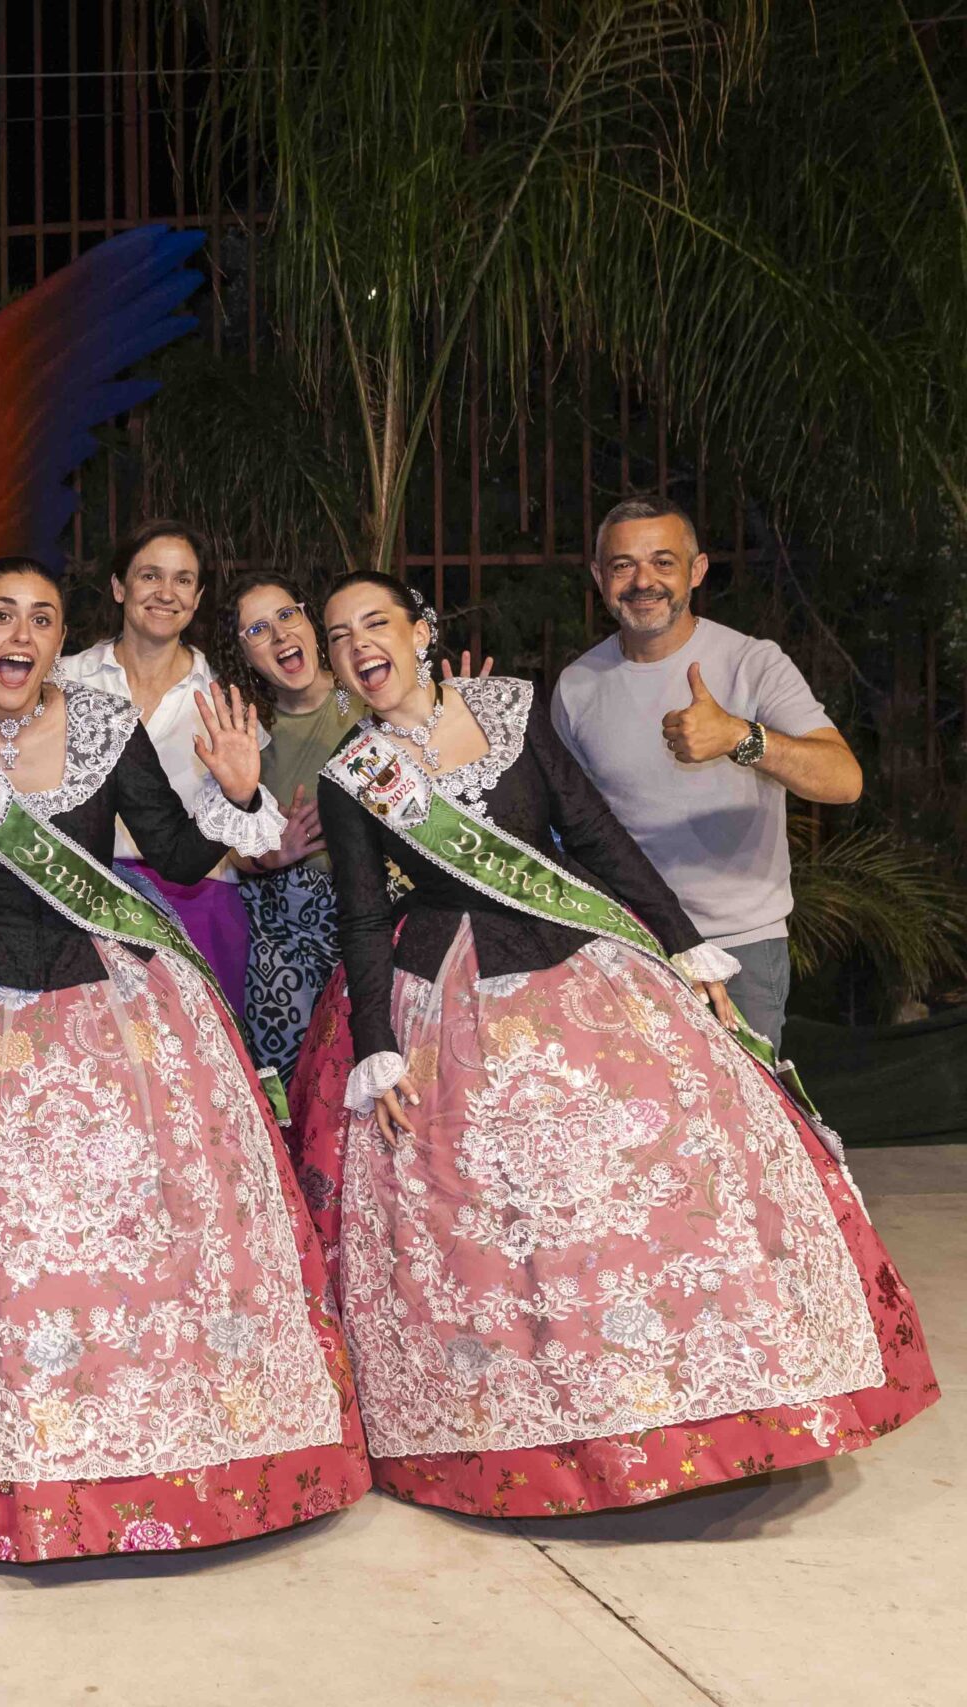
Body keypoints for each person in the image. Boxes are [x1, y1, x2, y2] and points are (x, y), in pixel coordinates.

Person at [293, 570, 934, 1517]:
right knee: (494, 1212)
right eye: (340, 635)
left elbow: (593, 835)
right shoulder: (353, 775)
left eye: (375, 623)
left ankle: (695, 1394)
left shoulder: (511, 708)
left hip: (573, 963)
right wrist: (378, 1047)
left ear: (421, 632)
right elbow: (358, 917)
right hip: (443, 985)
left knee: (656, 1165)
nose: (359, 646)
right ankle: (531, 1423)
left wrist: (683, 941)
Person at [0, 559, 368, 1562]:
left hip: (112, 997)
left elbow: (177, 853)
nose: (20, 634)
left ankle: (164, 1443)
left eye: (42, 619)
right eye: (1, 615)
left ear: (60, 640)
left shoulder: (106, 723)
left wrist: (239, 792)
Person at [551, 495, 863, 1045]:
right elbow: (567, 827)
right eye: (623, 565)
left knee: (744, 1103)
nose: (643, 581)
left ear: (696, 571)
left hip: (738, 946)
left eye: (663, 562)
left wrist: (740, 738)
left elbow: (844, 780)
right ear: (599, 577)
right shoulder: (576, 686)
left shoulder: (752, 663)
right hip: (628, 944)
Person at [61, 523, 255, 1011]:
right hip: (77, 898)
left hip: (198, 903)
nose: (166, 593)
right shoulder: (62, 680)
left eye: (183, 580)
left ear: (197, 598)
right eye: (150, 576)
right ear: (119, 586)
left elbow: (245, 820)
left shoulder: (225, 695)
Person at [217, 570, 355, 1080]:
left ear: (309, 620)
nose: (279, 635)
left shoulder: (367, 697)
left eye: (286, 615)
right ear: (243, 653)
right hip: (283, 932)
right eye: (257, 630)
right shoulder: (245, 730)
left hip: (372, 917)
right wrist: (275, 855)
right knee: (287, 1081)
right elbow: (228, 844)